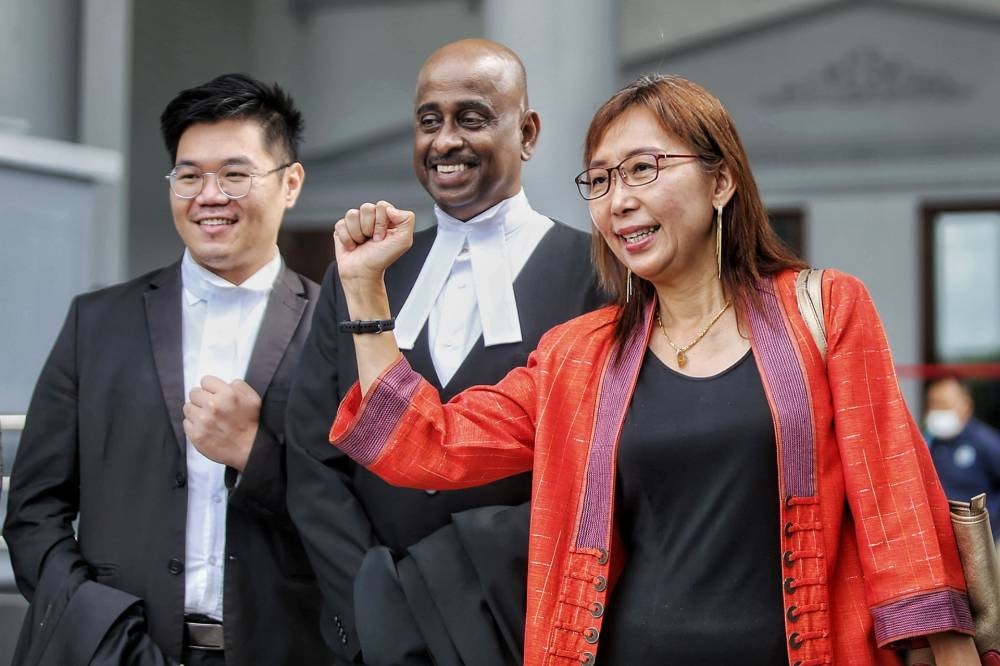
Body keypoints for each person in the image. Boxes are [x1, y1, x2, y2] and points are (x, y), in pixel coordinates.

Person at [326, 74, 978, 665]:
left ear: (721, 182)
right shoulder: (577, 355)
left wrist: (951, 653)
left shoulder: (825, 309)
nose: (619, 201)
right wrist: (364, 290)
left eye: (643, 169)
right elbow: (428, 445)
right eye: (600, 180)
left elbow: (896, 505)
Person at [285, 39, 603, 664]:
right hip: (374, 637)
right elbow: (312, 458)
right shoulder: (360, 275)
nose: (445, 141)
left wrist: (468, 594)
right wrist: (373, 608)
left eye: (472, 118)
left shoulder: (598, 275)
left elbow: (594, 470)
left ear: (527, 133)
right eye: (429, 121)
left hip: (516, 622)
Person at [3, 73, 334, 665]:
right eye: (189, 176)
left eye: (235, 174)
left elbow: (359, 514)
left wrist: (256, 457)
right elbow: (34, 511)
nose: (209, 196)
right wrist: (98, 633)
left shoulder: (336, 334)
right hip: (115, 651)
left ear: (290, 183)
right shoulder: (96, 323)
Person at [926, 376, 1000, 539]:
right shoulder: (931, 443)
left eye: (943, 404)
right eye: (932, 404)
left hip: (981, 539)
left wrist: (988, 519)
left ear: (965, 404)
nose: (936, 411)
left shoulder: (986, 442)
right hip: (941, 537)